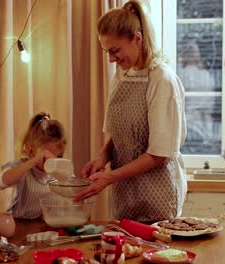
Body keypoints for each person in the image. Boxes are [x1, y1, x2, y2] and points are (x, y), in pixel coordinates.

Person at [74, 0, 187, 222]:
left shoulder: (161, 80)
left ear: (137, 38)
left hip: (158, 194)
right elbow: (119, 133)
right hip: (124, 194)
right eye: (107, 51)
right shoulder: (122, 75)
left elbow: (159, 154)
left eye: (115, 50)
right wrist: (101, 158)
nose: (111, 59)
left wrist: (108, 178)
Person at [0, 112, 67, 219]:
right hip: (20, 227)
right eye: (46, 157)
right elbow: (0, 183)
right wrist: (33, 162)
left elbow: (73, 192)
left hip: (49, 228)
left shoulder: (60, 171)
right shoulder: (22, 169)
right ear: (30, 150)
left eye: (59, 156)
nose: (54, 162)